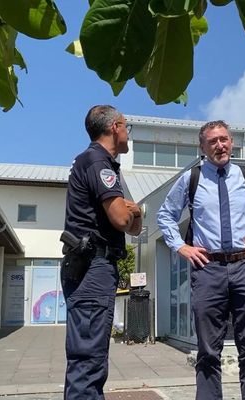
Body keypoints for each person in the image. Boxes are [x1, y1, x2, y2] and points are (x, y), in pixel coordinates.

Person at [157, 120, 245, 400]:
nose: (219, 145)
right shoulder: (191, 179)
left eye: (224, 139)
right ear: (202, 147)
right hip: (208, 269)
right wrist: (181, 247)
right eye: (212, 141)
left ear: (231, 142)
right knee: (208, 351)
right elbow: (165, 216)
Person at [60, 105, 142, 399]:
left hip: (90, 265)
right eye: (127, 127)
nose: (127, 134)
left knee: (88, 357)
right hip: (93, 267)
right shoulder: (98, 162)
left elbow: (133, 227)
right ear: (115, 127)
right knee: (88, 360)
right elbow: (122, 219)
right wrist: (131, 211)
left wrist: (137, 212)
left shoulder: (93, 161)